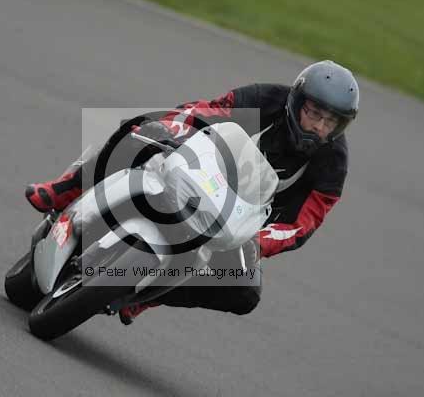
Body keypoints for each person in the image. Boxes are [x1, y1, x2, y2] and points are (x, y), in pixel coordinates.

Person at [25, 60, 359, 324]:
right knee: (138, 130)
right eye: (314, 113)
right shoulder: (264, 99)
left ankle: (147, 297)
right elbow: (206, 110)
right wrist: (174, 127)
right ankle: (65, 189)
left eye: (330, 122)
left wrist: (257, 242)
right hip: (203, 172)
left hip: (241, 222)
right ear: (297, 102)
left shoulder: (333, 165)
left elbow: (301, 226)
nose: (319, 127)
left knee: (244, 292)